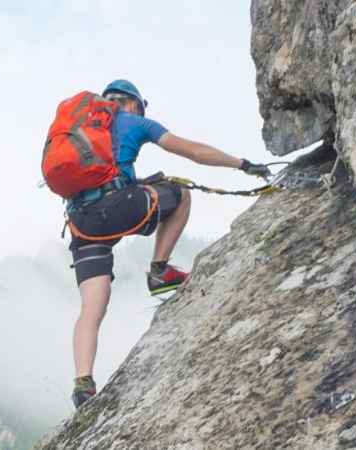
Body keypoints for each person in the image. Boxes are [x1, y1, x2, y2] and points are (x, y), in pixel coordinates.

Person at [69, 79, 271, 408]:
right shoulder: (134, 121)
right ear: (133, 103)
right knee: (180, 193)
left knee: (92, 307)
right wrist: (242, 164)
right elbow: (193, 151)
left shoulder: (80, 130)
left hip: (81, 223)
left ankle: (82, 383)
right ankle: (159, 270)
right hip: (118, 209)